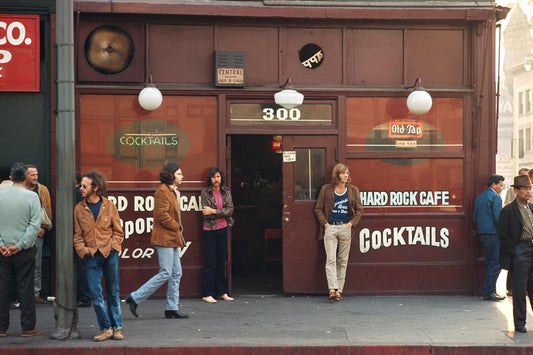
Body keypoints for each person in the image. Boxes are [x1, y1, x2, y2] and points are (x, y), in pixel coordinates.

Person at [126, 163, 189, 319]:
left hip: (172, 238)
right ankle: (135, 297)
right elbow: (161, 215)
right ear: (171, 175)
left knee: (176, 273)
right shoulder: (162, 191)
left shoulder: (172, 191)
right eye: (179, 174)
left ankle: (171, 308)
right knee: (166, 272)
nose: (182, 176)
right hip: (164, 238)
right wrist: (177, 226)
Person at [73, 171, 125, 341]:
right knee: (96, 293)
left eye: (84, 186)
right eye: (81, 185)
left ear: (95, 188)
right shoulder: (79, 209)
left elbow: (118, 231)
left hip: (110, 254)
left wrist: (114, 247)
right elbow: (78, 234)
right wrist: (83, 250)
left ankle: (117, 327)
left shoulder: (109, 205)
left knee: (113, 292)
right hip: (92, 256)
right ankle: (105, 328)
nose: (81, 188)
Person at [0, 162, 41, 337]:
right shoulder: (32, 197)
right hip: (24, 251)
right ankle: (27, 327)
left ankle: (1, 327)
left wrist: (2, 244)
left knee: (3, 288)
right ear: (25, 178)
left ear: (10, 178)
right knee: (26, 288)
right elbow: (34, 225)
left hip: (2, 251)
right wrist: (20, 245)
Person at [314, 163, 363, 301]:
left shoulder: (353, 190)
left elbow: (360, 210)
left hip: (345, 228)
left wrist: (350, 224)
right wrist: (326, 224)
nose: (346, 175)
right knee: (331, 259)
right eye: (343, 173)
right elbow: (318, 209)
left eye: (347, 173)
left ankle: (339, 291)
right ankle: (332, 289)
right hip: (331, 228)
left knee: (342, 260)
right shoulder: (326, 189)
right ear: (337, 175)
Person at [498, 175, 533, 333]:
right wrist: (515, 251)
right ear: (516, 191)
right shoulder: (508, 210)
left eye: (529, 188)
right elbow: (503, 234)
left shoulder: (531, 207)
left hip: (531, 247)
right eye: (525, 189)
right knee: (519, 289)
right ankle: (520, 322)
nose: (528, 191)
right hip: (519, 250)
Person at [200, 167, 235, 303]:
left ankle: (222, 292)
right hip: (209, 230)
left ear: (221, 178)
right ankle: (207, 293)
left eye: (218, 177)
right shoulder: (205, 193)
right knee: (209, 262)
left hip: (223, 228)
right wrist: (221, 211)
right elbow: (205, 212)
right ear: (210, 179)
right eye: (214, 177)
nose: (216, 179)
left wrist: (214, 211)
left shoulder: (226, 192)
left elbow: (230, 210)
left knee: (221, 261)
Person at [473, 174, 505, 301]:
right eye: (500, 185)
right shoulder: (495, 197)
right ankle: (488, 290)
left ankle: (489, 290)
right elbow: (498, 218)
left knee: (489, 262)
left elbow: (475, 217)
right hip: (493, 233)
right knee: (496, 263)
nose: (501, 188)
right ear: (494, 184)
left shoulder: (480, 197)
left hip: (483, 233)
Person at [24, 164, 52, 304]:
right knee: (22, 264)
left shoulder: (42, 190)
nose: (35, 177)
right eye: (32, 175)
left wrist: (44, 227)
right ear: (25, 176)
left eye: (36, 174)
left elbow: (47, 211)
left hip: (38, 232)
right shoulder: (19, 190)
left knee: (37, 264)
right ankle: (21, 294)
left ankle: (35, 293)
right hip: (21, 233)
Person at [74, 171, 91, 308]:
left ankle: (84, 297)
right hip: (85, 236)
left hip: (80, 236)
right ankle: (85, 296)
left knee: (81, 266)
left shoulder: (77, 194)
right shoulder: (80, 194)